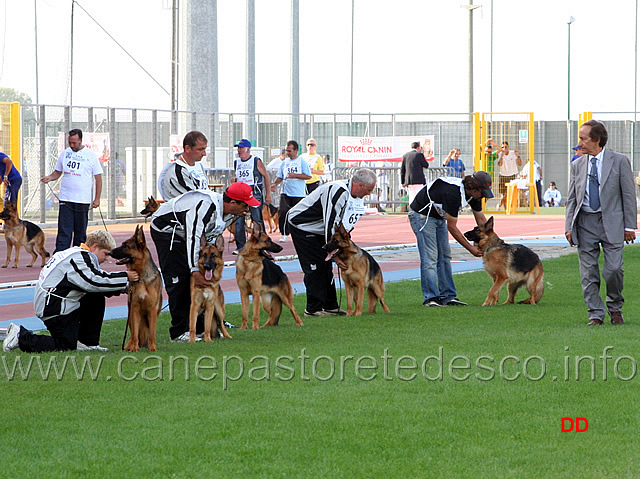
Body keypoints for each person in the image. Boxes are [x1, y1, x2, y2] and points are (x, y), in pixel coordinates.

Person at [150, 183, 258, 342]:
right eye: (245, 205)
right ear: (233, 203)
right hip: (168, 231)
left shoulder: (230, 213)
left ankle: (204, 329)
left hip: (186, 234)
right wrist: (194, 269)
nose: (248, 209)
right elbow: (193, 236)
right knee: (179, 279)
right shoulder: (205, 206)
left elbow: (210, 238)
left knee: (201, 282)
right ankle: (179, 331)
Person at [2, 230, 138, 353]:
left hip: (55, 302)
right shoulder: (80, 257)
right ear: (95, 246)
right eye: (106, 254)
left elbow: (94, 280)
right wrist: (125, 276)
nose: (107, 258)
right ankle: (20, 336)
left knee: (96, 295)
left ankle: (87, 343)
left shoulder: (75, 253)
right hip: (53, 307)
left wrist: (122, 288)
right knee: (65, 346)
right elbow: (92, 281)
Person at [565, 120, 637, 326]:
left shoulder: (620, 161)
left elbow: (628, 195)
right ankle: (595, 314)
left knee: (614, 269)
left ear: (597, 140)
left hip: (612, 223)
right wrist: (569, 226)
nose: (579, 143)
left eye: (583, 139)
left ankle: (615, 307)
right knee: (588, 272)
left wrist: (629, 226)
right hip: (585, 222)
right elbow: (572, 198)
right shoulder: (577, 165)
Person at [287, 168, 377, 317]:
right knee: (315, 266)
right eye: (369, 190)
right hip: (302, 226)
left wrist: (337, 251)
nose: (369, 193)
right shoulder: (338, 191)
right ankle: (313, 309)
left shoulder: (352, 197)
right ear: (360, 185)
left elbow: (343, 227)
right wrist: (334, 254)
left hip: (319, 230)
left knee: (326, 265)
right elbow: (331, 223)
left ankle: (330, 306)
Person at [408, 171, 493, 307]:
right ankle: (431, 298)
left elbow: (482, 221)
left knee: (445, 256)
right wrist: (470, 248)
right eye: (482, 192)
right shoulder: (453, 194)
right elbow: (452, 227)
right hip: (422, 215)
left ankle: (448, 295)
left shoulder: (474, 196)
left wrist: (494, 243)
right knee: (430, 257)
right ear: (472, 189)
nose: (483, 196)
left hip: (438, 216)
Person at [41, 129, 103, 253]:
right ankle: (60, 255)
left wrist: (97, 198)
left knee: (80, 232)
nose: (72, 145)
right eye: (70, 142)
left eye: (74, 143)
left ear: (80, 140)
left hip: (82, 199)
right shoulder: (65, 153)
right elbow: (57, 172)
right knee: (64, 230)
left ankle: (78, 255)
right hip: (66, 198)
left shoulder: (90, 155)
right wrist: (50, 177)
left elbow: (98, 178)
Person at [231, 138, 271, 253]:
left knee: (257, 219)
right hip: (240, 193)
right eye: (238, 148)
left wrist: (268, 194)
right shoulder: (236, 162)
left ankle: (263, 244)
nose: (239, 150)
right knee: (238, 220)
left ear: (247, 149)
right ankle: (241, 247)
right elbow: (237, 176)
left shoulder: (256, 161)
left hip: (254, 193)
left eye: (241, 148)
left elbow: (266, 176)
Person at [270, 140, 311, 242]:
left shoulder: (301, 162)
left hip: (298, 193)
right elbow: (280, 176)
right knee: (283, 212)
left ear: (296, 150)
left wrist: (296, 175)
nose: (288, 153)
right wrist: (274, 184)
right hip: (286, 192)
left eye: (290, 151)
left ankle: (300, 233)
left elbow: (308, 176)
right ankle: (284, 233)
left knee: (298, 214)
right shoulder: (284, 163)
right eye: (286, 151)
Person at [157, 130, 209, 200]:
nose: (204, 154)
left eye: (205, 149)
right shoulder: (177, 171)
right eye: (200, 149)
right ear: (187, 148)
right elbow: (192, 199)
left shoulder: (198, 166)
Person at [488, 139, 522, 209]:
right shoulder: (500, 154)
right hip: (503, 175)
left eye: (506, 147)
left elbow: (520, 164)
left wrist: (518, 156)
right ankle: (506, 209)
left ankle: (500, 205)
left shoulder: (513, 153)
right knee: (504, 194)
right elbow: (500, 164)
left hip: (512, 175)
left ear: (508, 147)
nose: (504, 149)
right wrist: (502, 156)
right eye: (503, 147)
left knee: (508, 194)